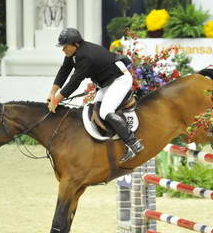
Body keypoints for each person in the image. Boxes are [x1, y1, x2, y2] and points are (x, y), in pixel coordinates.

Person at [47, 28, 144, 163]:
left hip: (119, 80)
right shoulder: (73, 53)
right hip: (107, 82)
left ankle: (133, 143)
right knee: (95, 108)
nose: (63, 50)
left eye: (65, 47)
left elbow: (74, 82)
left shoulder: (85, 56)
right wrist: (52, 93)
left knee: (105, 112)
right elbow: (64, 70)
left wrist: (56, 100)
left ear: (75, 44)